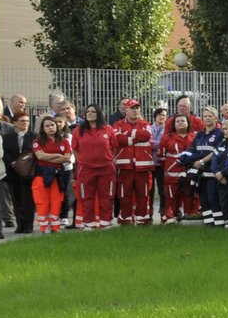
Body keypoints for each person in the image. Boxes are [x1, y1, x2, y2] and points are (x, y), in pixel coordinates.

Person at [73, 104, 118, 231]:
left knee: (107, 197)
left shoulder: (108, 129)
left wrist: (107, 159)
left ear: (99, 114)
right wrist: (82, 161)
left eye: (93, 111)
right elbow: (75, 149)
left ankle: (106, 223)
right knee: (86, 197)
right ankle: (89, 224)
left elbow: (114, 147)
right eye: (88, 111)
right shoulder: (78, 131)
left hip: (106, 169)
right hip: (86, 170)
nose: (90, 113)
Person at [112, 98, 155, 226]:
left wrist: (129, 135)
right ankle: (125, 219)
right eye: (133, 108)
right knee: (124, 194)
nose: (136, 110)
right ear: (126, 110)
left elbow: (146, 135)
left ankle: (142, 218)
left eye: (137, 108)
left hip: (143, 166)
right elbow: (118, 139)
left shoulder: (145, 124)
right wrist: (135, 137)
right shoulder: (118, 124)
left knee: (143, 194)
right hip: (125, 166)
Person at [31, 114, 72, 234]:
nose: (50, 128)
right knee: (43, 202)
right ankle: (44, 227)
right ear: (43, 129)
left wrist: (48, 158)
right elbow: (40, 156)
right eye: (47, 126)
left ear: (57, 126)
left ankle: (55, 227)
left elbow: (67, 158)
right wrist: (58, 156)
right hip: (41, 176)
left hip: (58, 176)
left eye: (52, 125)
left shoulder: (64, 141)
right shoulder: (37, 141)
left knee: (56, 201)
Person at [159, 114, 196, 223]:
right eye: (177, 121)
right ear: (173, 125)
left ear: (188, 123)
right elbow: (161, 156)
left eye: (182, 121)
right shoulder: (167, 137)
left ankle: (189, 217)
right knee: (171, 197)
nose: (180, 123)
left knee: (189, 196)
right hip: (172, 174)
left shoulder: (194, 137)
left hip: (190, 172)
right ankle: (170, 217)